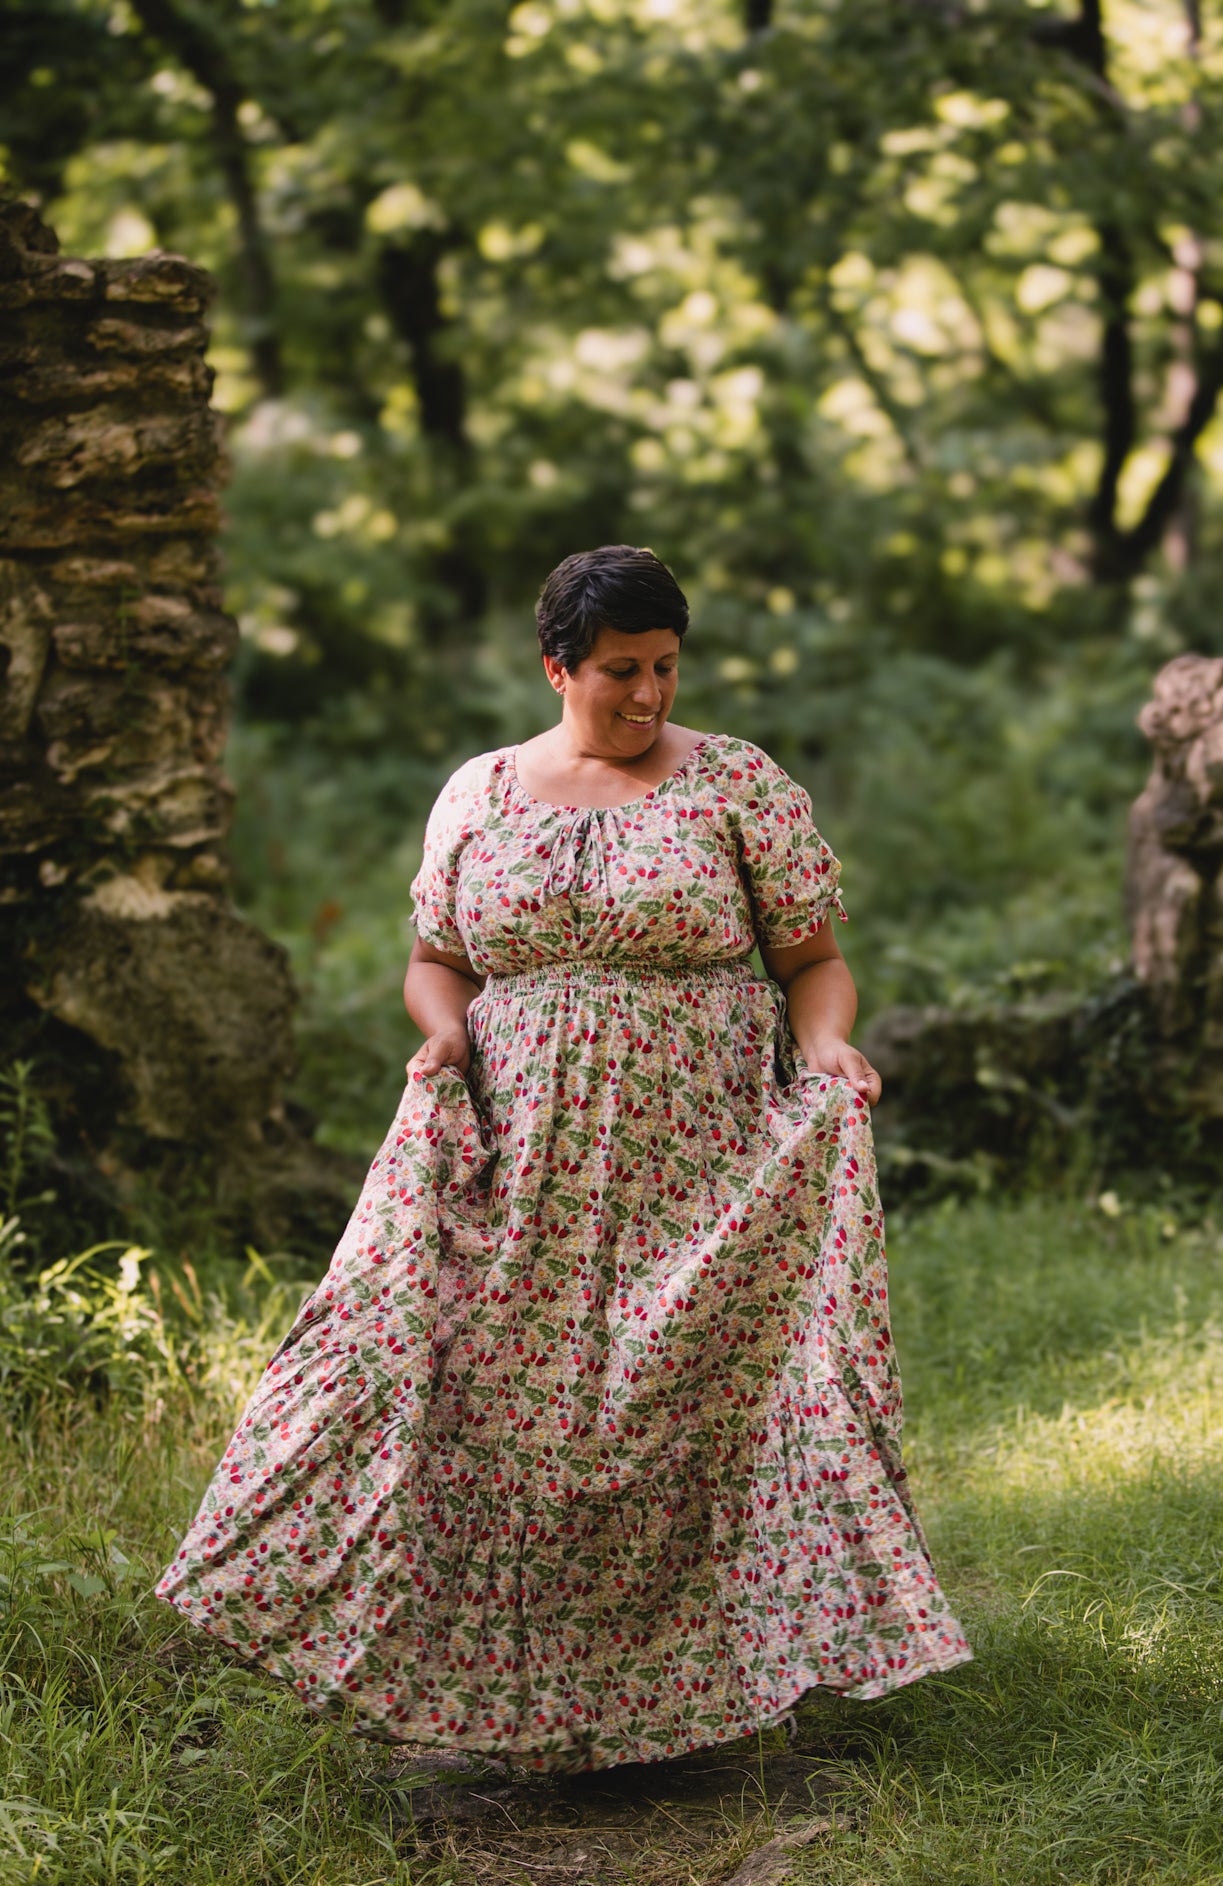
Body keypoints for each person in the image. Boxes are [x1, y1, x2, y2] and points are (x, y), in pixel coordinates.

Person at [157, 545, 970, 1771]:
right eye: (619, 671)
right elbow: (437, 959)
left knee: (690, 1404)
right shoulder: (479, 792)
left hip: (704, 1160)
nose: (649, 694)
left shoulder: (739, 783)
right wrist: (444, 1035)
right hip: (518, 1156)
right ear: (557, 667)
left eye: (666, 667)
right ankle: (505, 1696)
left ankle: (699, 1695)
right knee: (489, 1401)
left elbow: (811, 960)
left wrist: (826, 1048)